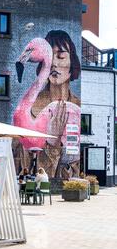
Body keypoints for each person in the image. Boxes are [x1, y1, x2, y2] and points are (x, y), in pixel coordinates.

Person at [14, 30, 81, 179]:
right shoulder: (30, 111)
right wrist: (52, 141)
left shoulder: (77, 107)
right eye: (50, 57)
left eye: (61, 56)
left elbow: (70, 172)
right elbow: (20, 165)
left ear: (72, 63)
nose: (54, 63)